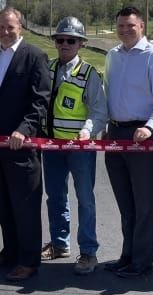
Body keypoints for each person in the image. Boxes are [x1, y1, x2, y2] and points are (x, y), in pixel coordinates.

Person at [102, 6, 153, 278]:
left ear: (141, 26)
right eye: (121, 26)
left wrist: (149, 127)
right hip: (115, 134)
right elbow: (109, 93)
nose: (125, 30)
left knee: (145, 204)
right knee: (125, 202)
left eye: (130, 25)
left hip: (143, 136)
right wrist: (106, 126)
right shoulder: (113, 55)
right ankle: (128, 254)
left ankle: (142, 262)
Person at [0, 7, 51, 282]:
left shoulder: (35, 56)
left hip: (22, 146)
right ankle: (10, 251)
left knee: (25, 205)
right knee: (4, 202)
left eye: (10, 27)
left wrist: (24, 129)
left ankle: (29, 260)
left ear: (20, 27)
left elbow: (41, 99)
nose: (5, 32)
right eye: (1, 27)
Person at [41, 16, 108, 276]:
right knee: (55, 196)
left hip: (80, 149)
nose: (65, 44)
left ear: (81, 44)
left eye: (71, 40)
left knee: (85, 199)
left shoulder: (89, 74)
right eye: (60, 39)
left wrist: (87, 131)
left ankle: (88, 251)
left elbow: (99, 111)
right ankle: (60, 244)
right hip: (52, 146)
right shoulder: (47, 69)